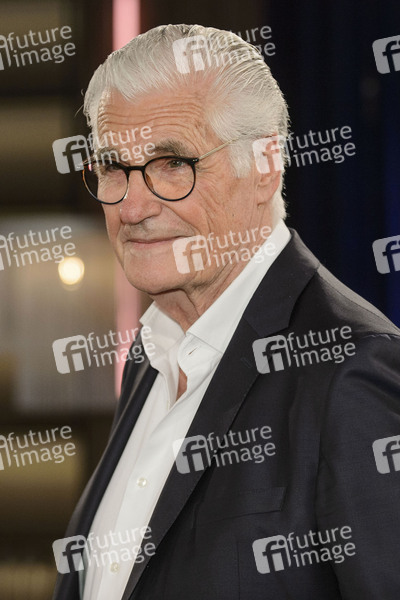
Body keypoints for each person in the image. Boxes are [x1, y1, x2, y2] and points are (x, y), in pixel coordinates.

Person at [53, 24, 400, 600]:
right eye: (114, 167)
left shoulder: (352, 369)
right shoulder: (150, 355)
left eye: (172, 163)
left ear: (265, 167)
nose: (132, 207)